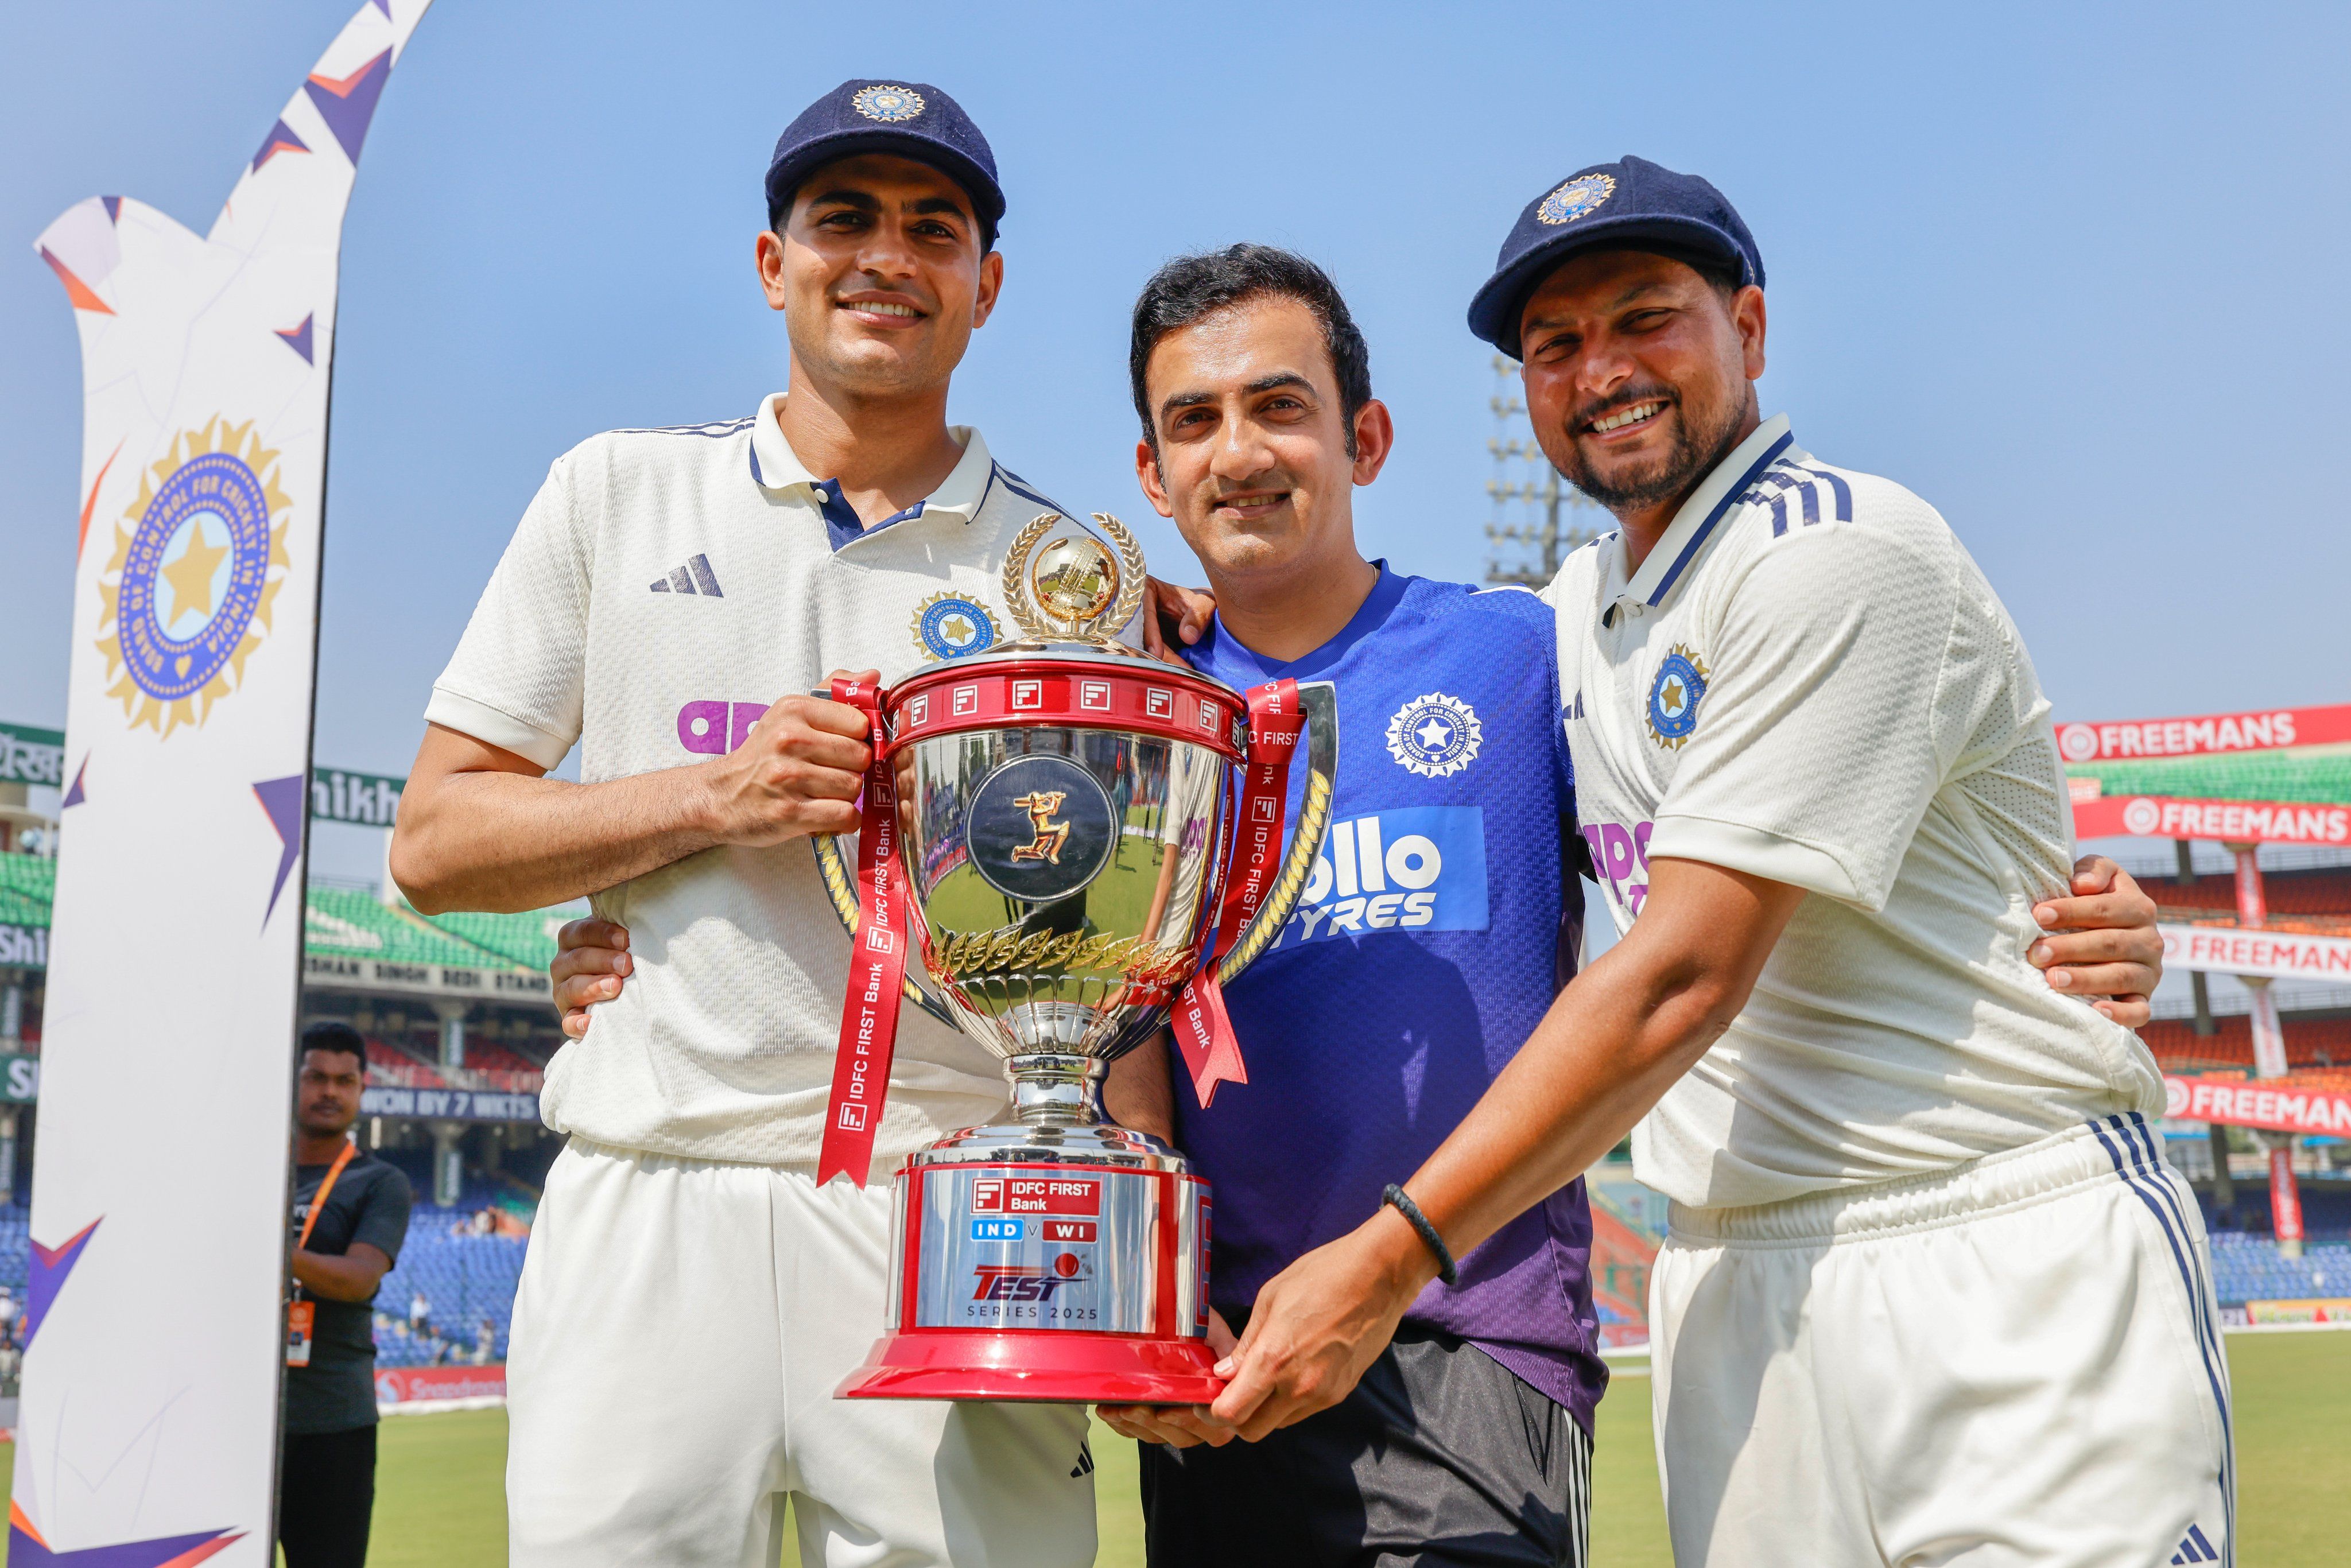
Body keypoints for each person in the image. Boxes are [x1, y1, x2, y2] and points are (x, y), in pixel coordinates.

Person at [552, 241, 2167, 1566]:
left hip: (1465, 1337)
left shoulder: (1533, 650)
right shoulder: (1122, 713)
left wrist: (2073, 906)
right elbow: (1103, 1006)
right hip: (1222, 1358)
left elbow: (1756, 804)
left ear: (1365, 439)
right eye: (1194, 421)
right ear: (1150, 471)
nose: (1240, 450)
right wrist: (1143, 1281)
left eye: (1280, 406)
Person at [1209, 158, 2228, 1567]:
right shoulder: (1571, 619)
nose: (1602, 371)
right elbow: (1380, 691)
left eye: (1646, 319)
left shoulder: (1840, 548)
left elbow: (1682, 972)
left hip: (1995, 1237)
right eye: (1556, 344)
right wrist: (1189, 616)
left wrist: (1387, 1259)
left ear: (1747, 329)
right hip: (1732, 1286)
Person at [390, 79, 1193, 1568]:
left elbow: (1116, 955)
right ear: (775, 264)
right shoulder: (616, 492)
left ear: (986, 285)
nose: (886, 255)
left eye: (933, 228)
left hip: (951, 1209)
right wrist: (710, 798)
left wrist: (1130, 1227)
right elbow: (433, 844)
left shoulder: (1073, 573)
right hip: (650, 1185)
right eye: (845, 220)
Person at [282, 1022, 414, 1568]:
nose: (329, 1092)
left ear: (362, 1090)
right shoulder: (249, 1170)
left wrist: (270, 1249)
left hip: (334, 1423)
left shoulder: (381, 1183)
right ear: (292, 1080)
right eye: (316, 1077)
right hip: (238, 1416)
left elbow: (359, 1278)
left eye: (345, 1080)